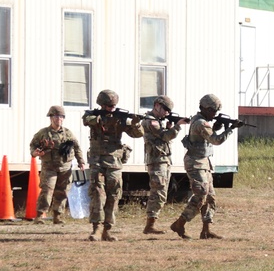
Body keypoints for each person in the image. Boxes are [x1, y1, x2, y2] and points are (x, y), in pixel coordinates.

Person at [82, 90, 144, 241]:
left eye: (114, 106)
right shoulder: (92, 115)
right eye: (109, 106)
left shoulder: (120, 119)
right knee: (97, 193)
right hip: (97, 160)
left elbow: (138, 134)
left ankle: (107, 229)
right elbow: (89, 120)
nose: (111, 109)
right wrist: (109, 118)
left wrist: (135, 124)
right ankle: (96, 228)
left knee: (114, 194)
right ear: (102, 105)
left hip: (114, 162)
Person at [170, 94, 234, 240]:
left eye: (216, 111)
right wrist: (230, 129)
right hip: (195, 163)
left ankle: (206, 231)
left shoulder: (202, 121)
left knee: (210, 197)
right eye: (212, 110)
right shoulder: (200, 123)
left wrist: (216, 127)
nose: (214, 114)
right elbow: (216, 140)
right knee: (201, 195)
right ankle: (179, 223)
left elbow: (208, 138)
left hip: (203, 162)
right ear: (203, 108)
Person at [28, 105, 86, 224]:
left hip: (65, 167)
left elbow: (77, 148)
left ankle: (57, 216)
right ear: (50, 118)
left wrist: (81, 162)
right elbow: (33, 145)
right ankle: (39, 215)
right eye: (55, 116)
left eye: (61, 116)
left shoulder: (68, 133)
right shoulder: (43, 133)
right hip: (49, 167)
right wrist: (34, 153)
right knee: (47, 191)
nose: (58, 119)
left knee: (63, 192)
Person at [141, 95, 188, 235]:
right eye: (165, 109)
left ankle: (151, 224)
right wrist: (177, 126)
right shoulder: (151, 121)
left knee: (161, 192)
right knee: (158, 192)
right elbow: (165, 136)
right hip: (157, 161)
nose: (167, 113)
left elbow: (165, 136)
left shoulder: (158, 121)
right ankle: (150, 225)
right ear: (156, 105)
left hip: (163, 160)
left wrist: (169, 127)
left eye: (168, 110)